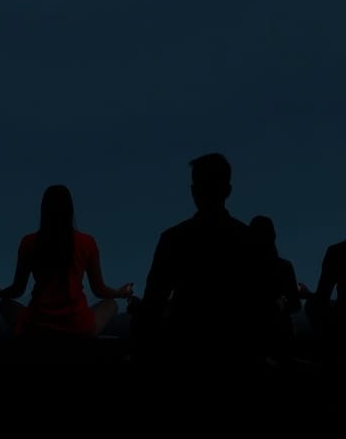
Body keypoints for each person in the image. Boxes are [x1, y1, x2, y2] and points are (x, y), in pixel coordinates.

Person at [128, 153, 266, 368]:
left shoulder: (173, 238)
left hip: (185, 349)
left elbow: (152, 304)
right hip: (238, 352)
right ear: (228, 190)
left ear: (194, 191)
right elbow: (259, 304)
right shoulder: (249, 239)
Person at [0, 184, 133, 338]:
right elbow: (99, 290)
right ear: (70, 210)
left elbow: (18, 289)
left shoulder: (29, 242)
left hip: (37, 326)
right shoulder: (87, 242)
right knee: (111, 304)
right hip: (78, 327)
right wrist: (119, 293)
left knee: (5, 305)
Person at [248, 215, 300, 360]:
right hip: (278, 332)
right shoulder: (284, 267)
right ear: (273, 236)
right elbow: (295, 305)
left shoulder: (242, 268)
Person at [304, 238, 346, 358]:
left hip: (342, 321)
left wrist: (307, 294)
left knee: (312, 305)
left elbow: (322, 296)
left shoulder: (337, 251)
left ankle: (329, 354)